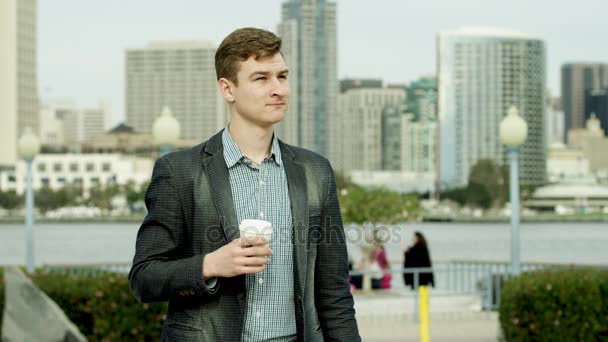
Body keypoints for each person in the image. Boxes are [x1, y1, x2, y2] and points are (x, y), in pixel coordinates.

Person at [128, 27, 360, 341]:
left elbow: (334, 292)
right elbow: (144, 277)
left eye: (282, 76)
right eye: (261, 78)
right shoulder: (178, 172)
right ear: (228, 89)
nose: (278, 89)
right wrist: (210, 265)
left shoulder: (315, 171)